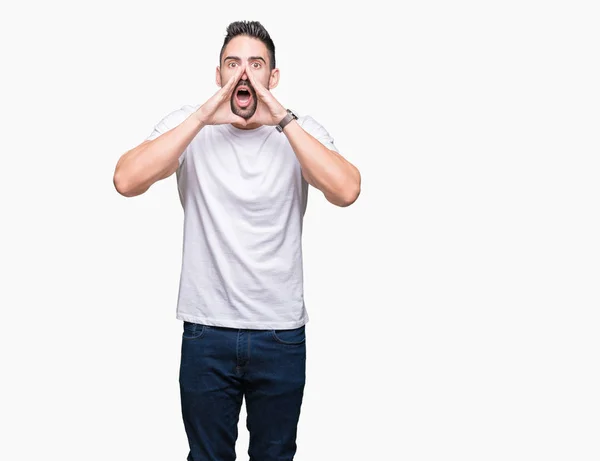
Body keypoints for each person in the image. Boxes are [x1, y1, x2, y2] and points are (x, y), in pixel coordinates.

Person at [113, 20, 361, 461]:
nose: (244, 74)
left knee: (276, 455)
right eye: (233, 64)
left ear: (273, 77)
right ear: (218, 74)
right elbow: (126, 180)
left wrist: (282, 119)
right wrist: (203, 117)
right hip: (206, 331)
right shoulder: (189, 127)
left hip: (280, 334)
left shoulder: (300, 131)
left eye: (255, 64)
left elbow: (346, 190)